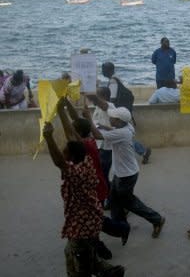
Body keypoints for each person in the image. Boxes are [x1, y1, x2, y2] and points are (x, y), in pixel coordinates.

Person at [42, 122, 125, 277]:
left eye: (64, 152)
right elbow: (73, 137)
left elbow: (59, 162)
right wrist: (61, 109)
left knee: (78, 259)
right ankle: (109, 271)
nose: (62, 153)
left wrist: (48, 137)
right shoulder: (86, 160)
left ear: (71, 157)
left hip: (82, 225)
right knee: (84, 251)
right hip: (90, 219)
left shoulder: (76, 173)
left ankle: (101, 271)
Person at [84, 106, 166, 238]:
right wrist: (105, 127)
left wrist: (88, 118)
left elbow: (97, 135)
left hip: (126, 176)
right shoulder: (126, 127)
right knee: (115, 200)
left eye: (113, 118)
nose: (110, 118)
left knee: (129, 202)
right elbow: (113, 130)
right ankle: (120, 226)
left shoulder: (122, 133)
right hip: (123, 173)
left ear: (120, 121)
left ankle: (156, 219)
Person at [101, 62, 152, 164]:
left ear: (109, 70)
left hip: (117, 115)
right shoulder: (117, 79)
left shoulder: (113, 82)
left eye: (104, 69)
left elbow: (112, 99)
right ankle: (142, 151)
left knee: (121, 136)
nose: (102, 71)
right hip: (121, 112)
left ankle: (143, 151)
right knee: (122, 137)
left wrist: (109, 111)